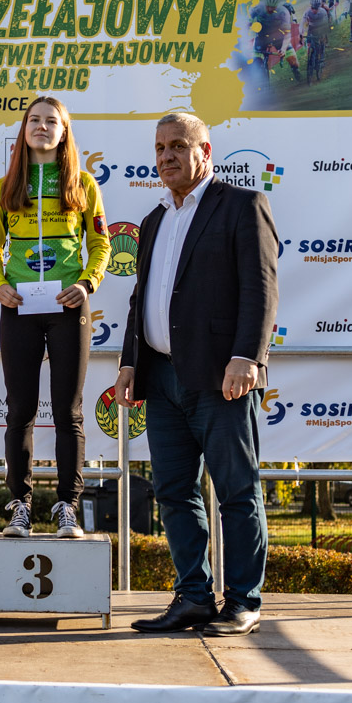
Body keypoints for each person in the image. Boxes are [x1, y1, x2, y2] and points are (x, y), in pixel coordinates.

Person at [116, 112, 278, 637]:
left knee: (236, 490)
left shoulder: (242, 205)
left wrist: (247, 356)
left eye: (178, 146)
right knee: (173, 491)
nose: (166, 156)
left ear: (205, 151)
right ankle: (193, 597)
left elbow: (261, 288)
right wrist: (129, 362)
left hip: (219, 377)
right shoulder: (153, 220)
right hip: (161, 379)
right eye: (160, 148)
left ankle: (243, 602)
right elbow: (141, 298)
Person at [0, 97, 111, 538]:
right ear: (24, 129)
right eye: (34, 120)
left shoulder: (83, 184)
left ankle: (67, 508)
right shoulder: (5, 187)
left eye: (51, 121)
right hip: (19, 306)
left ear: (64, 130)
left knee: (68, 412)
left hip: (68, 306)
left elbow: (101, 244)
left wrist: (87, 284)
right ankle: (19, 506)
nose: (42, 126)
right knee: (20, 409)